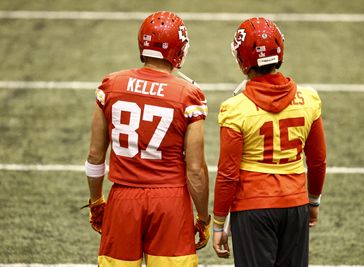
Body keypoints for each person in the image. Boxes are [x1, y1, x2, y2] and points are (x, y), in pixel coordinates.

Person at [83, 11, 210, 267]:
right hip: (171, 202)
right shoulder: (189, 95)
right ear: (178, 49)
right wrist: (203, 217)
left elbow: (95, 156)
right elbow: (195, 170)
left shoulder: (111, 85)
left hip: (123, 199)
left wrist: (96, 200)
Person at [212, 17, 327, 267]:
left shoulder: (235, 108)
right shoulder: (309, 99)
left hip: (252, 207)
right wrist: (313, 200)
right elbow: (317, 162)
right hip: (295, 204)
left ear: (243, 62)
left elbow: (228, 174)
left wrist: (219, 222)